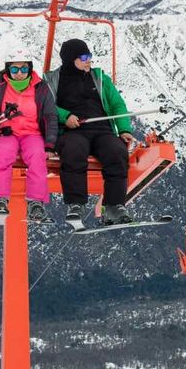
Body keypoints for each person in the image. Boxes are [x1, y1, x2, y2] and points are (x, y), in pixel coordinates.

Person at [44, 38, 134, 228]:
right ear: (70, 59)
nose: (89, 61)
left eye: (90, 56)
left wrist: (124, 129)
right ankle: (76, 204)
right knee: (74, 151)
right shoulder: (53, 80)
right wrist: (65, 116)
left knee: (117, 152)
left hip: (102, 130)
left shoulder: (99, 78)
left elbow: (117, 104)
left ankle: (114, 205)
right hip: (72, 130)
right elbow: (45, 106)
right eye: (84, 57)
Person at [0, 51, 58, 223]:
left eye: (23, 69)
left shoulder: (40, 87)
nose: (19, 73)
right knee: (3, 154)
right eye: (14, 69)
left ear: (29, 69)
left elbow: (50, 116)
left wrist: (49, 144)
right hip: (5, 131)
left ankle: (36, 203)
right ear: (8, 70)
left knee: (37, 157)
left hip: (32, 133)